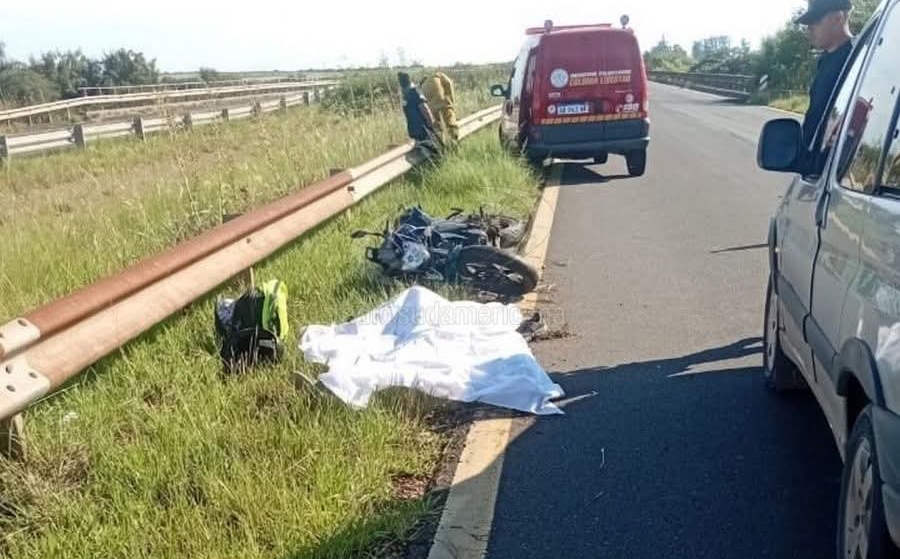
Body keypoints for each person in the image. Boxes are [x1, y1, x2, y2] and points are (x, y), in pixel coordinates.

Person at [796, 0, 855, 175]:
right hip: (815, 167)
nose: (809, 28)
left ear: (838, 18)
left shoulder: (856, 58)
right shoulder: (824, 60)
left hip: (834, 170)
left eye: (815, 21)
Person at [397, 72, 441, 159]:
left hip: (413, 132)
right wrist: (432, 124)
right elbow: (425, 110)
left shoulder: (404, 96)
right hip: (424, 130)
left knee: (423, 153)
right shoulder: (415, 92)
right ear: (409, 80)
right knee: (436, 152)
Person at [421, 72, 460, 144]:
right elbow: (449, 83)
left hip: (434, 110)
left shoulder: (423, 88)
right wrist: (452, 103)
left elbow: (426, 104)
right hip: (444, 105)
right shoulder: (437, 75)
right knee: (451, 126)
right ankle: (455, 144)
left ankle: (443, 146)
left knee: (439, 128)